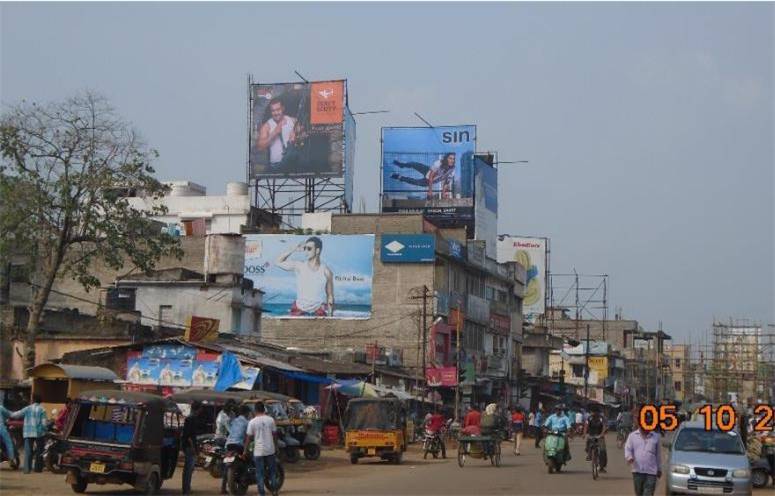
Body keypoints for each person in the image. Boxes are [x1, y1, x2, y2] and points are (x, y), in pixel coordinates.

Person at [276, 236, 334, 317]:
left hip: (318, 311)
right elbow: (278, 262)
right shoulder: (299, 266)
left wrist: (330, 316)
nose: (306, 251)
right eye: (305, 248)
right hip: (298, 310)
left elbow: (330, 295)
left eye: (309, 249)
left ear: (317, 250)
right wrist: (294, 249)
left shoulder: (326, 271)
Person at [624, 407, 662, 496]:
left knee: (648, 493)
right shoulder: (632, 436)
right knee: (639, 493)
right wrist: (629, 458)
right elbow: (628, 449)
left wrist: (659, 469)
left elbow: (658, 455)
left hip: (651, 472)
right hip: (637, 471)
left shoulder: (656, 437)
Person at [244, 402, 278, 496]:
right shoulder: (271, 420)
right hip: (270, 450)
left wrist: (245, 450)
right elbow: (275, 435)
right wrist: (276, 447)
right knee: (272, 472)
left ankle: (261, 493)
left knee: (259, 473)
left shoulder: (252, 422)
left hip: (258, 451)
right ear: (264, 409)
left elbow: (248, 438)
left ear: (255, 410)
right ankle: (274, 491)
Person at [390, 153, 457, 200]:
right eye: (450, 158)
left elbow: (446, 183)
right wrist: (430, 191)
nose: (452, 160)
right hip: (428, 171)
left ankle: (398, 177)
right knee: (414, 164)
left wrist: (443, 193)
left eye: (453, 159)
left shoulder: (452, 170)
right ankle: (401, 165)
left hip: (427, 181)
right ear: (446, 159)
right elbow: (431, 176)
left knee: (414, 181)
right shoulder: (439, 163)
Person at [11, 395, 47, 473]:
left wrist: (7, 414)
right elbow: (44, 423)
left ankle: (27, 469)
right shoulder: (42, 409)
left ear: (33, 400)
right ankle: (38, 469)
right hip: (39, 433)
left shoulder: (27, 408)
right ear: (40, 401)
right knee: (40, 450)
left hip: (28, 432)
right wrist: (45, 430)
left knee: (28, 451)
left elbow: (16, 414)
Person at [257, 98, 297, 167]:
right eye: (273, 111)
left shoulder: (292, 120)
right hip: (276, 166)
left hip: (292, 163)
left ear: (283, 108)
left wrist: (296, 136)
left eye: (278, 110)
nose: (276, 113)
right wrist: (274, 132)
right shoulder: (267, 126)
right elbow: (260, 147)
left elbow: (303, 135)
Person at [220, 404, 250, 494]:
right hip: (238, 445)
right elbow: (248, 436)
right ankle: (244, 480)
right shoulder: (247, 422)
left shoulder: (234, 420)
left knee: (227, 466)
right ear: (247, 413)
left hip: (228, 445)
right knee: (247, 461)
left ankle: (223, 488)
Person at [181, 401, 203, 495]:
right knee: (188, 469)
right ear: (198, 409)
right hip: (190, 447)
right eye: (200, 408)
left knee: (189, 469)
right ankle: (186, 490)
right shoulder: (191, 419)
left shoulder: (191, 418)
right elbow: (189, 436)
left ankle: (187, 488)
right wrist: (193, 448)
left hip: (189, 446)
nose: (201, 410)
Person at [584, 406, 608, 472]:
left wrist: (602, 434)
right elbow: (586, 426)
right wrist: (584, 433)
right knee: (588, 444)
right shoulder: (589, 418)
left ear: (598, 412)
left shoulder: (602, 418)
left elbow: (604, 426)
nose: (593, 413)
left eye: (595, 412)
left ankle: (602, 467)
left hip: (599, 435)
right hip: (591, 435)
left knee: (602, 450)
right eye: (592, 412)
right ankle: (589, 454)